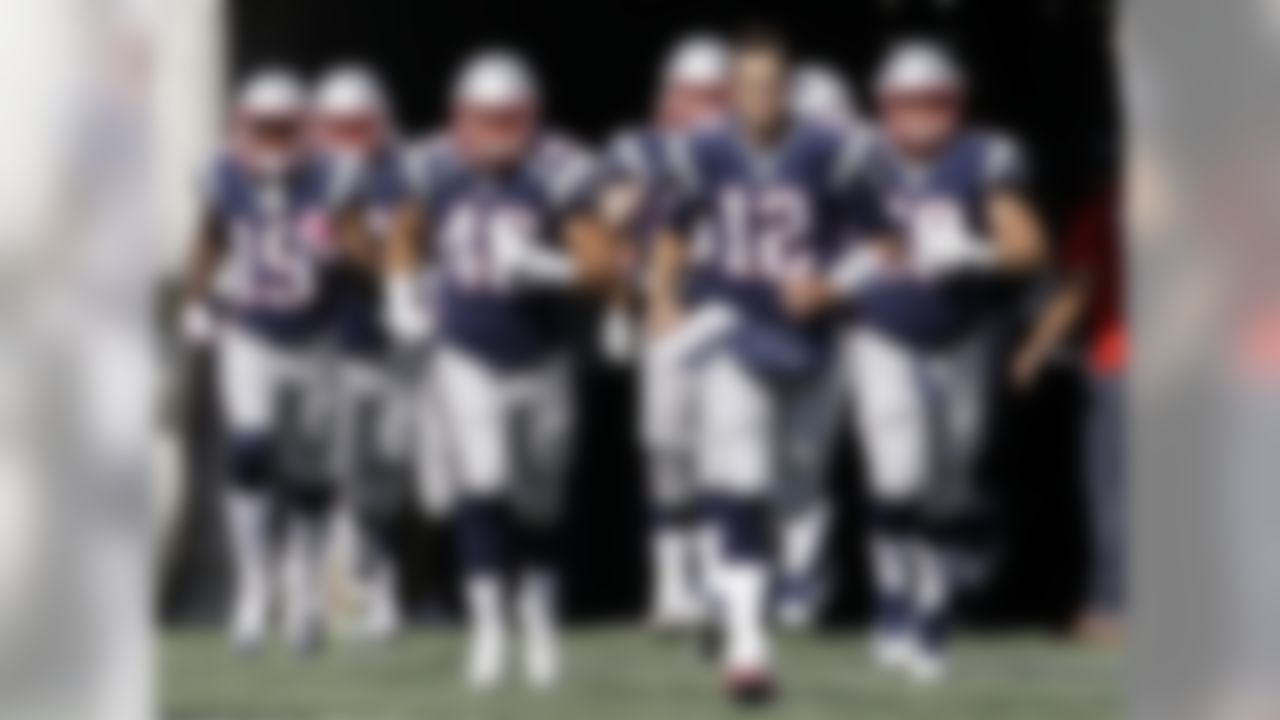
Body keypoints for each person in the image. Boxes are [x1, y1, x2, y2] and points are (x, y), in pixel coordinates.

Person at [649, 28, 869, 702]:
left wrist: (831, 286)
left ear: (790, 87)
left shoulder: (834, 152)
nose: (758, 98)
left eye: (770, 84)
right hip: (736, 333)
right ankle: (748, 648)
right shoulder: (704, 151)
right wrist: (662, 297)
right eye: (745, 85)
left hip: (810, 342)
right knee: (734, 477)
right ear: (731, 91)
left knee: (794, 495)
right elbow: (673, 233)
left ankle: (733, 588)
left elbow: (884, 244)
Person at [383, 49, 613, 690]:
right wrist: (400, 293)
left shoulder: (559, 170)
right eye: (483, 119)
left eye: (508, 119)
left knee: (539, 498)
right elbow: (406, 231)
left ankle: (537, 620)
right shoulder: (432, 166)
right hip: (466, 351)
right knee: (482, 481)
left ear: (532, 117)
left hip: (543, 353)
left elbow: (604, 267)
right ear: (460, 117)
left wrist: (553, 268)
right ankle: (487, 627)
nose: (495, 133)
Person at [833, 40, 1048, 683]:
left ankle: (933, 604)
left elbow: (1030, 247)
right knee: (897, 474)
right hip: (881, 329)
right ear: (883, 105)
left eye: (936, 102)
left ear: (958, 102)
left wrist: (977, 254)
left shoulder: (987, 157)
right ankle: (901, 603)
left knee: (950, 481)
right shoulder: (856, 157)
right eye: (910, 103)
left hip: (965, 333)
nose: (923, 116)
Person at [180, 68, 339, 654]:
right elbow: (210, 237)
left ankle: (305, 592)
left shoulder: (331, 173)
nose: (272, 143)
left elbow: (369, 252)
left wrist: (341, 248)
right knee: (249, 447)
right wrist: (197, 301)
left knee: (308, 473)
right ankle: (253, 586)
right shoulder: (221, 171)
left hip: (316, 339)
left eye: (283, 130)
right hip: (250, 332)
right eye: (262, 130)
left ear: (303, 130)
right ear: (242, 128)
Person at [597, 32, 730, 632]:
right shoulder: (638, 151)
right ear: (669, 96)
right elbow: (609, 228)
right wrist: (616, 301)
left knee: (724, 452)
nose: (700, 107)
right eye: (691, 94)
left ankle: (715, 579)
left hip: (732, 311)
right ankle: (672, 582)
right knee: (665, 449)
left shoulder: (748, 151)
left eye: (713, 95)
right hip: (664, 310)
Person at [1012, 181, 1125, 643]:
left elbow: (1079, 287)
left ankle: (1115, 608)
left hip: (1123, 364)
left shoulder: (1104, 208)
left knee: (1115, 497)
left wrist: (1034, 349)